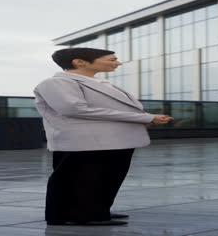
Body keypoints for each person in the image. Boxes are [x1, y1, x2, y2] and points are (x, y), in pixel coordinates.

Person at [34, 48, 173, 226]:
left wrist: (144, 118)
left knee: (105, 178)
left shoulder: (99, 82)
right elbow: (75, 109)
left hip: (111, 140)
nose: (117, 63)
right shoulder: (55, 83)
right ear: (79, 62)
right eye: (111, 59)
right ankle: (76, 215)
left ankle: (97, 210)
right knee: (81, 178)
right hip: (83, 142)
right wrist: (145, 118)